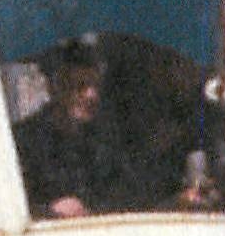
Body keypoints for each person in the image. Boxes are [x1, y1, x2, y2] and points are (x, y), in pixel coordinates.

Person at [12, 39, 140, 218]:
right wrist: (50, 212)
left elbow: (127, 199)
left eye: (95, 86)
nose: (91, 95)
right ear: (54, 87)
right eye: (80, 86)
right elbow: (6, 210)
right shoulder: (23, 141)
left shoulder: (104, 143)